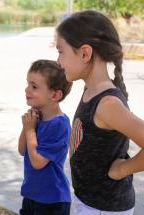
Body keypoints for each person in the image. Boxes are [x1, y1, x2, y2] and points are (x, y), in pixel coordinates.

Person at [56, 10, 144, 214]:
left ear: (85, 53)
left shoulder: (107, 104)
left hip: (104, 208)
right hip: (89, 202)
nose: (58, 61)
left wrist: (123, 169)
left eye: (61, 52)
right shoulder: (90, 90)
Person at [18, 59, 72, 215]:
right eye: (28, 84)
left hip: (52, 201)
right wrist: (27, 127)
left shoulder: (59, 125)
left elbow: (38, 162)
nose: (27, 90)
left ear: (55, 94)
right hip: (31, 195)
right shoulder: (36, 118)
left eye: (34, 87)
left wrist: (30, 130)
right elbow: (22, 150)